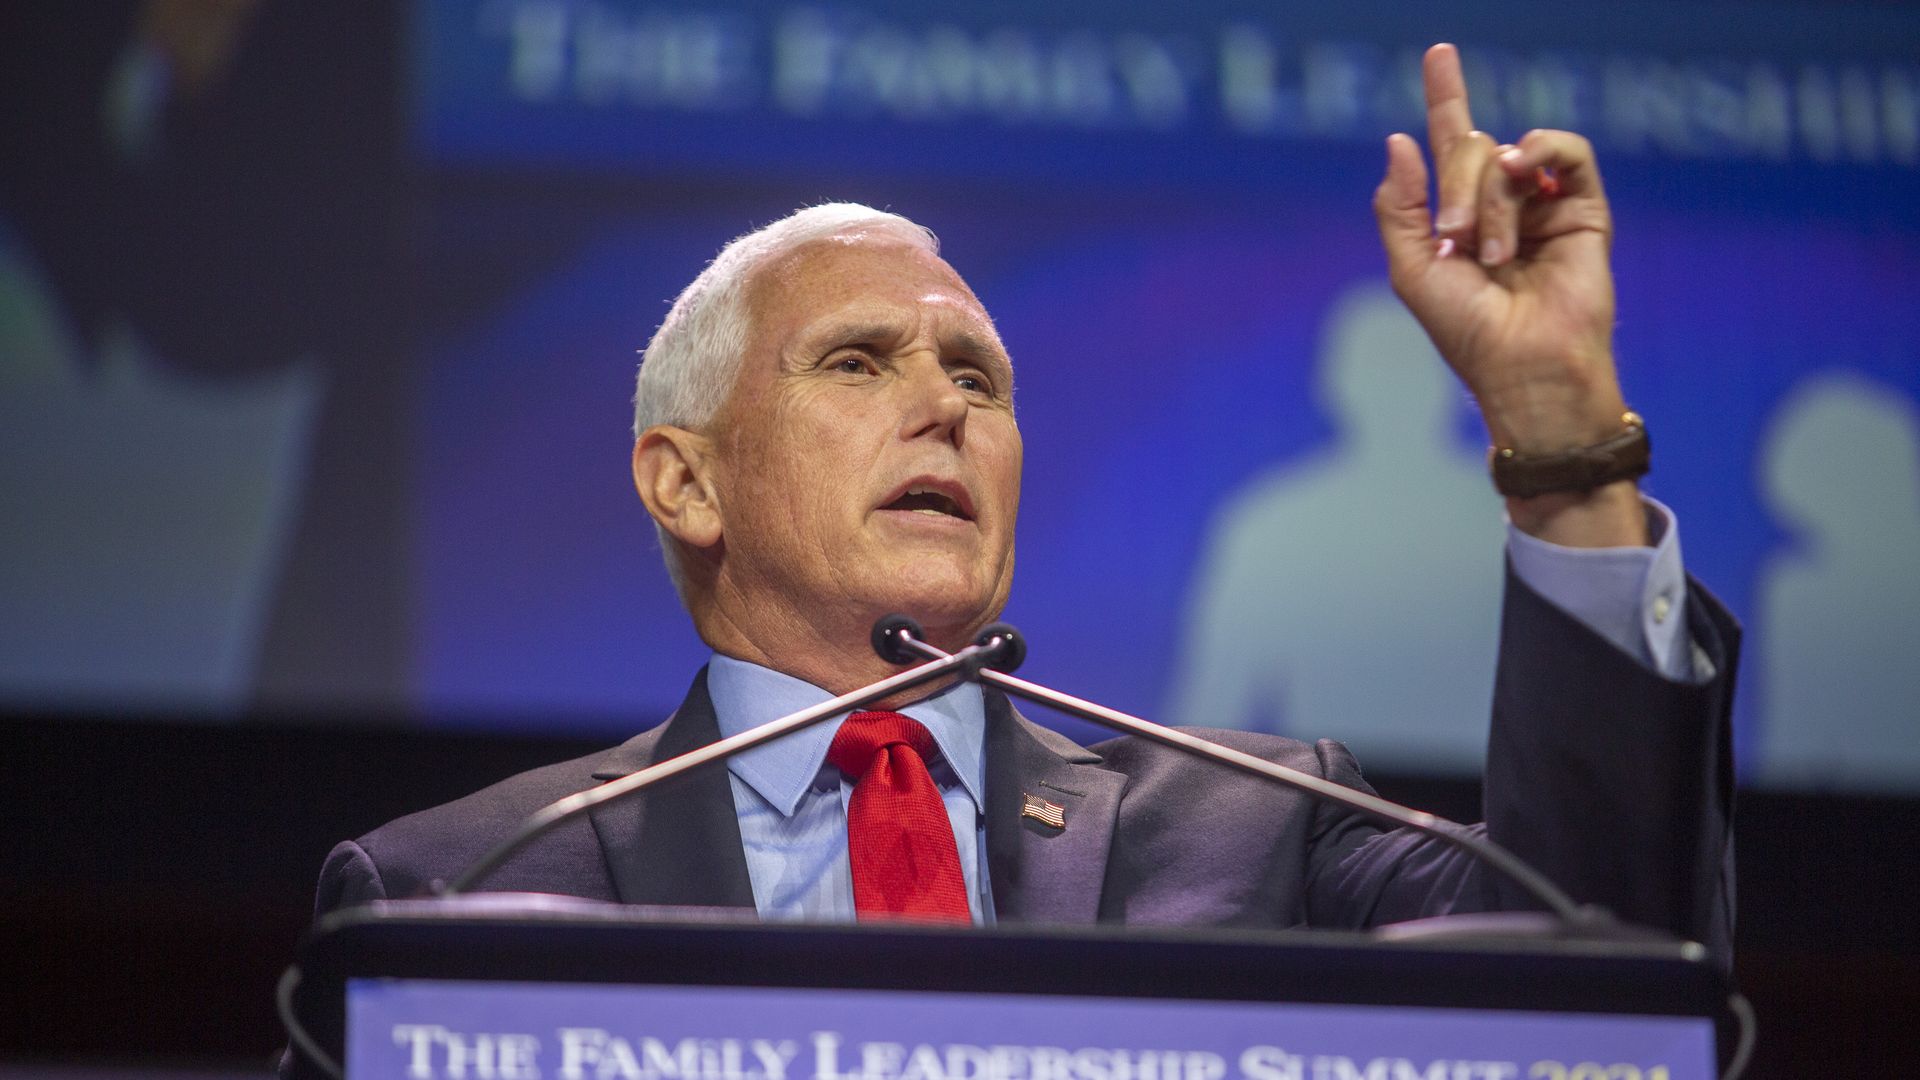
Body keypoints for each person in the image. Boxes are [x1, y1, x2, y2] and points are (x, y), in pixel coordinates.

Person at [309, 45, 1735, 955]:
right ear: (686, 481)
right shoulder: (465, 890)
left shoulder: (1262, 829)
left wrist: (1564, 448)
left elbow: (1604, 964)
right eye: (859, 363)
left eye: (980, 380)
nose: (948, 407)